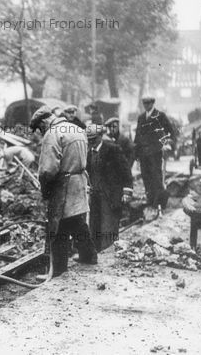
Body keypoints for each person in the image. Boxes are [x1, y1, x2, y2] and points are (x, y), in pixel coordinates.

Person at [30, 105, 97, 277]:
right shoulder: (76, 128)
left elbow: (47, 170)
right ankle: (89, 256)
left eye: (39, 127)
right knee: (77, 220)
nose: (40, 131)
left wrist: (45, 188)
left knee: (57, 226)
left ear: (45, 120)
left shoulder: (52, 134)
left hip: (63, 185)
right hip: (79, 180)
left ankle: (57, 270)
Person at [86, 124, 134, 251]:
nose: (91, 142)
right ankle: (95, 254)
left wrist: (127, 192)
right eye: (89, 139)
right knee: (94, 227)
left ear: (101, 136)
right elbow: (88, 172)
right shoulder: (89, 153)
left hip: (111, 197)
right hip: (95, 196)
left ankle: (107, 257)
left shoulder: (113, 149)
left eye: (93, 139)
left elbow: (126, 172)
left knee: (108, 229)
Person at [134, 96, 177, 214]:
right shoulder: (141, 117)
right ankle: (150, 200)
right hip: (143, 153)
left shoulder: (160, 116)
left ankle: (158, 203)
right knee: (146, 176)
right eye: (144, 103)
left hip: (155, 152)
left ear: (153, 103)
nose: (146, 105)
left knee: (156, 176)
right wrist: (136, 153)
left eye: (148, 103)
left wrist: (168, 144)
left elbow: (170, 131)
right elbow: (137, 136)